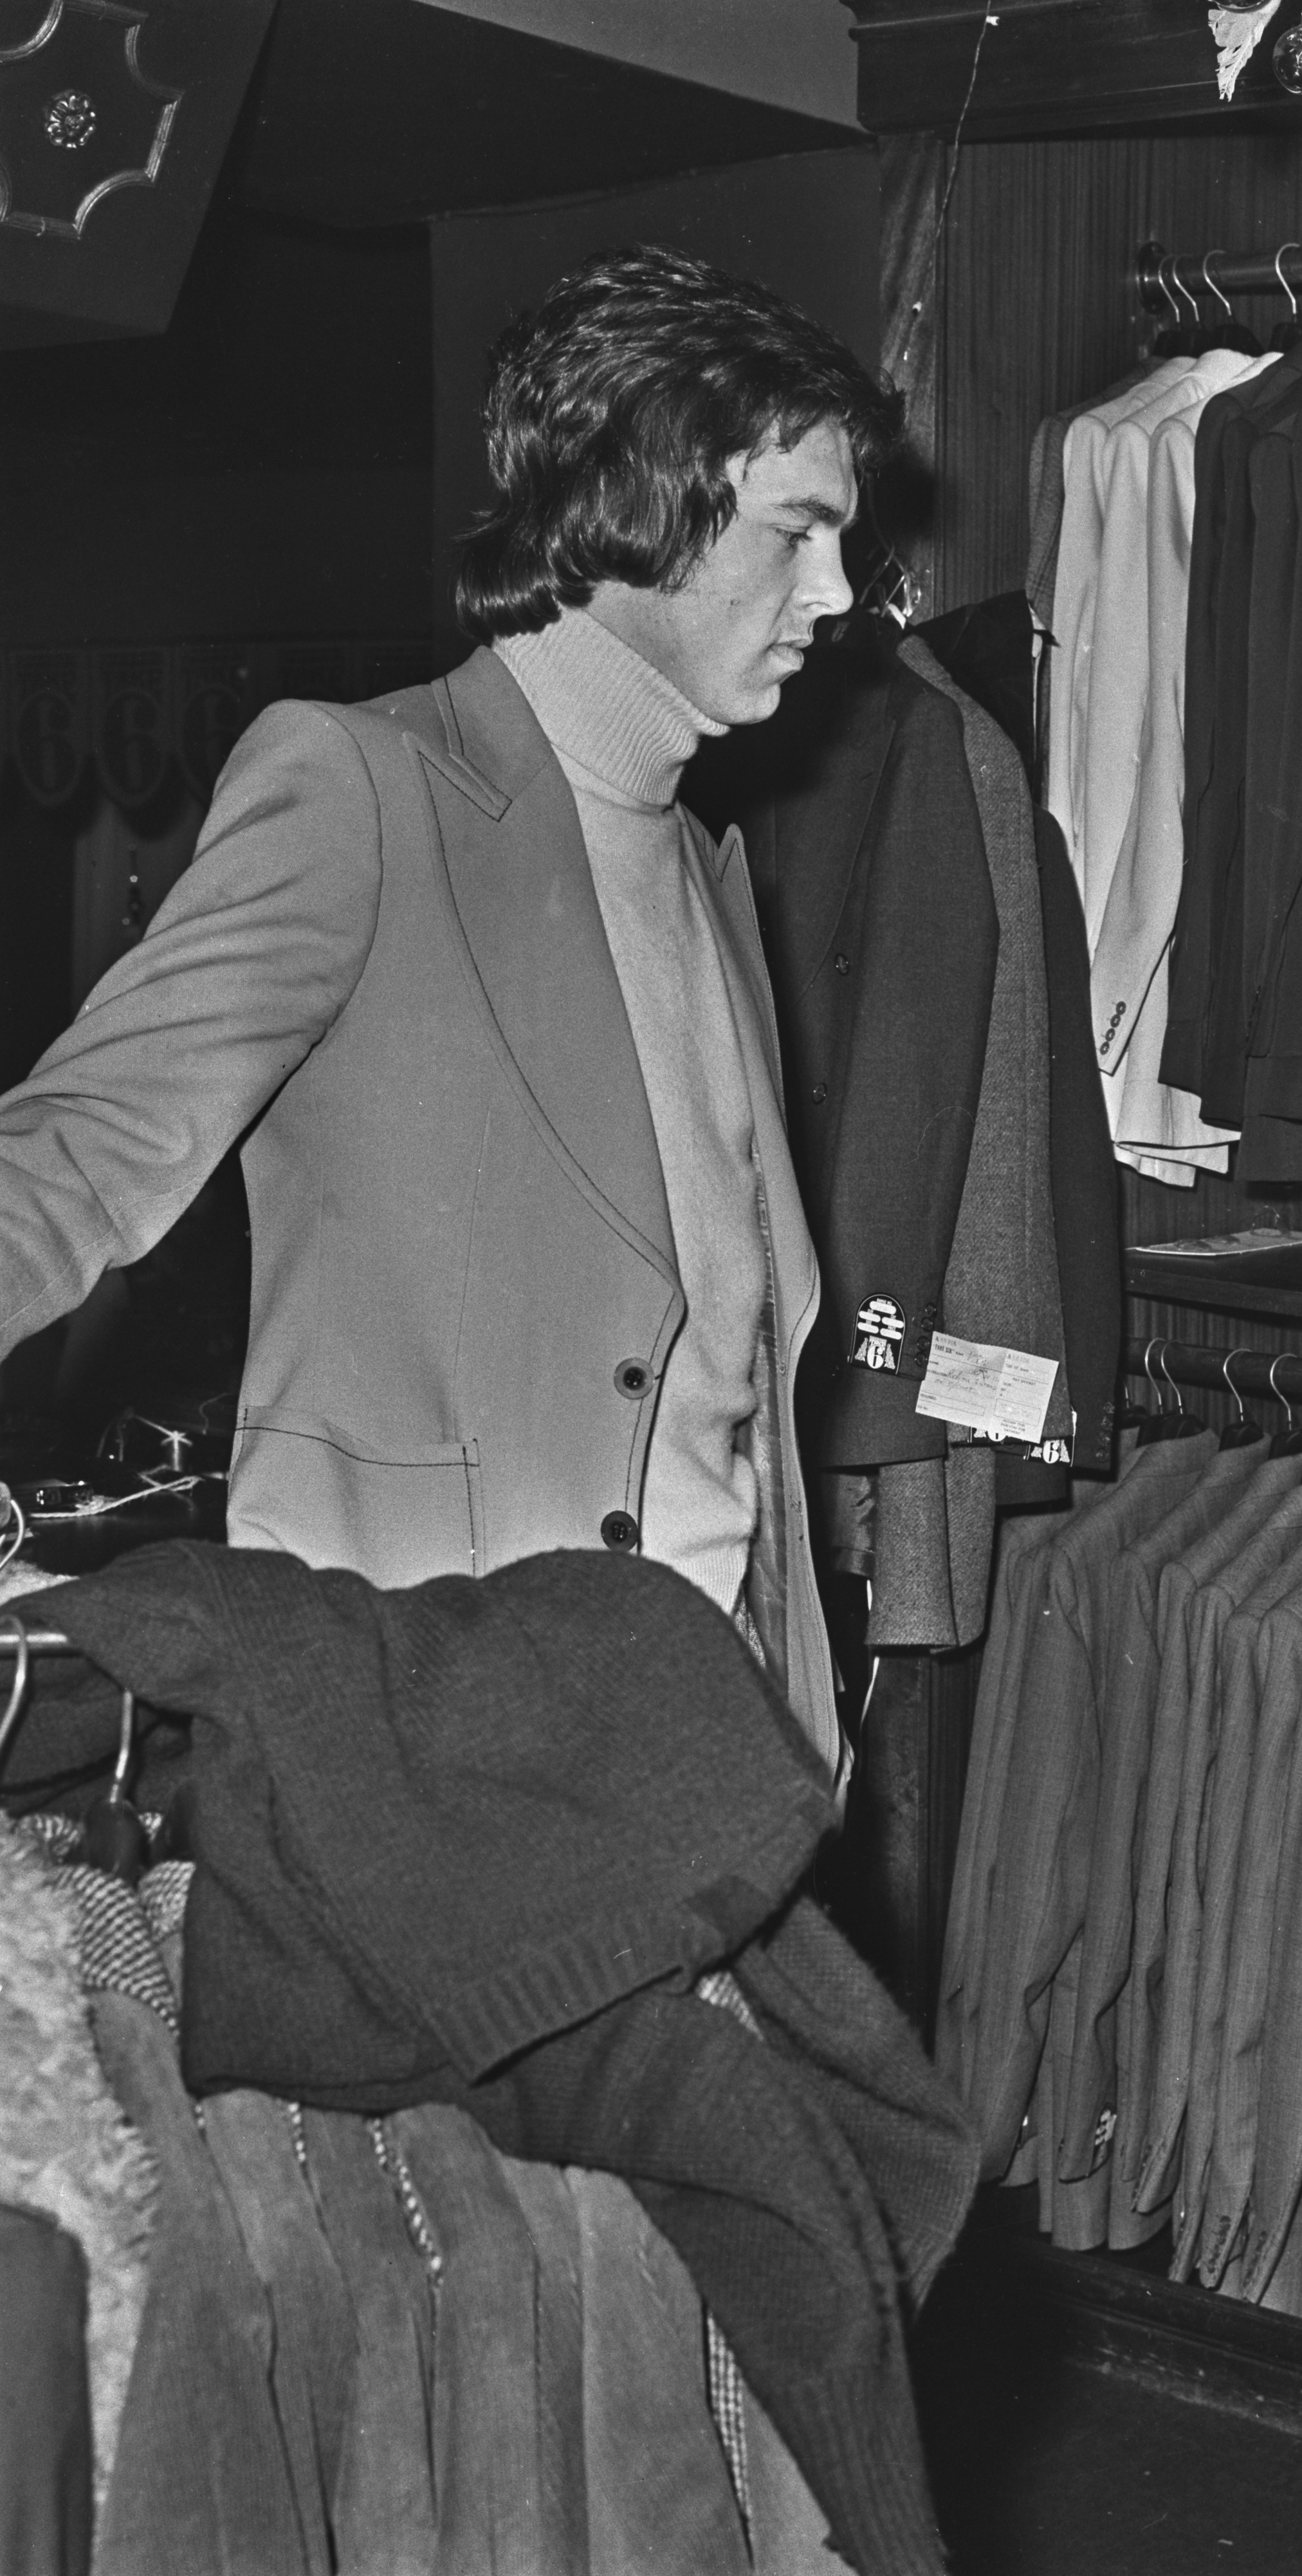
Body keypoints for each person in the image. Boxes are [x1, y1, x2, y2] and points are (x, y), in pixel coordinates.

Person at [0, 245, 903, 1781]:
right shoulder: (359, 787)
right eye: (798, 530)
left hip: (708, 1749)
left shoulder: (702, 861)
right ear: (639, 507)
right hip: (426, 1756)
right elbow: (79, 1153)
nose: (836, 591)